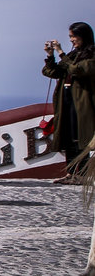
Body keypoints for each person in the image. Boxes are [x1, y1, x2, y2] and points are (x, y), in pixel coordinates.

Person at [43, 21, 95, 184]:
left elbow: (77, 70)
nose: (72, 40)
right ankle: (71, 173)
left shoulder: (92, 54)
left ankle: (82, 175)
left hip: (82, 103)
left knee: (82, 138)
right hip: (66, 100)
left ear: (83, 36)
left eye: (74, 36)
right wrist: (50, 56)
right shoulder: (73, 55)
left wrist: (60, 53)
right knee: (68, 136)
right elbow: (52, 72)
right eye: (70, 37)